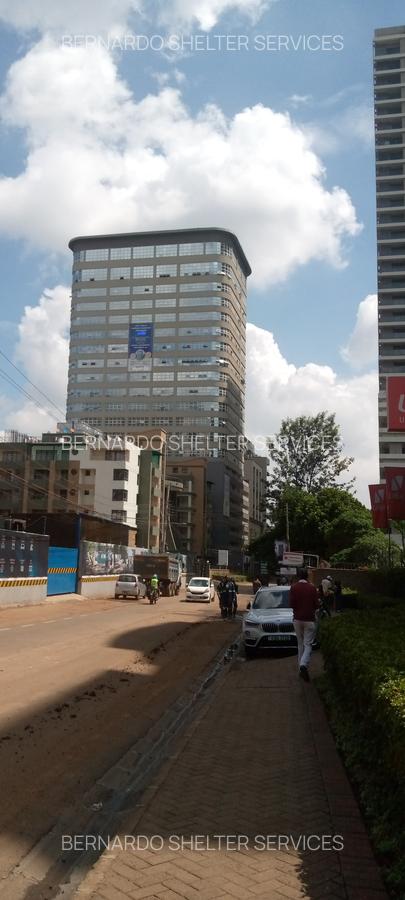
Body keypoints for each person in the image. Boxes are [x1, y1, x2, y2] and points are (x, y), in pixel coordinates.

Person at [290, 567, 319, 682]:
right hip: (309, 620)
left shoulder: (293, 587)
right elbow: (316, 605)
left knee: (300, 644)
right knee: (308, 644)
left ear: (298, 576)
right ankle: (303, 665)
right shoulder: (312, 588)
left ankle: (300, 670)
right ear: (307, 576)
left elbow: (291, 604)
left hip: (297, 620)